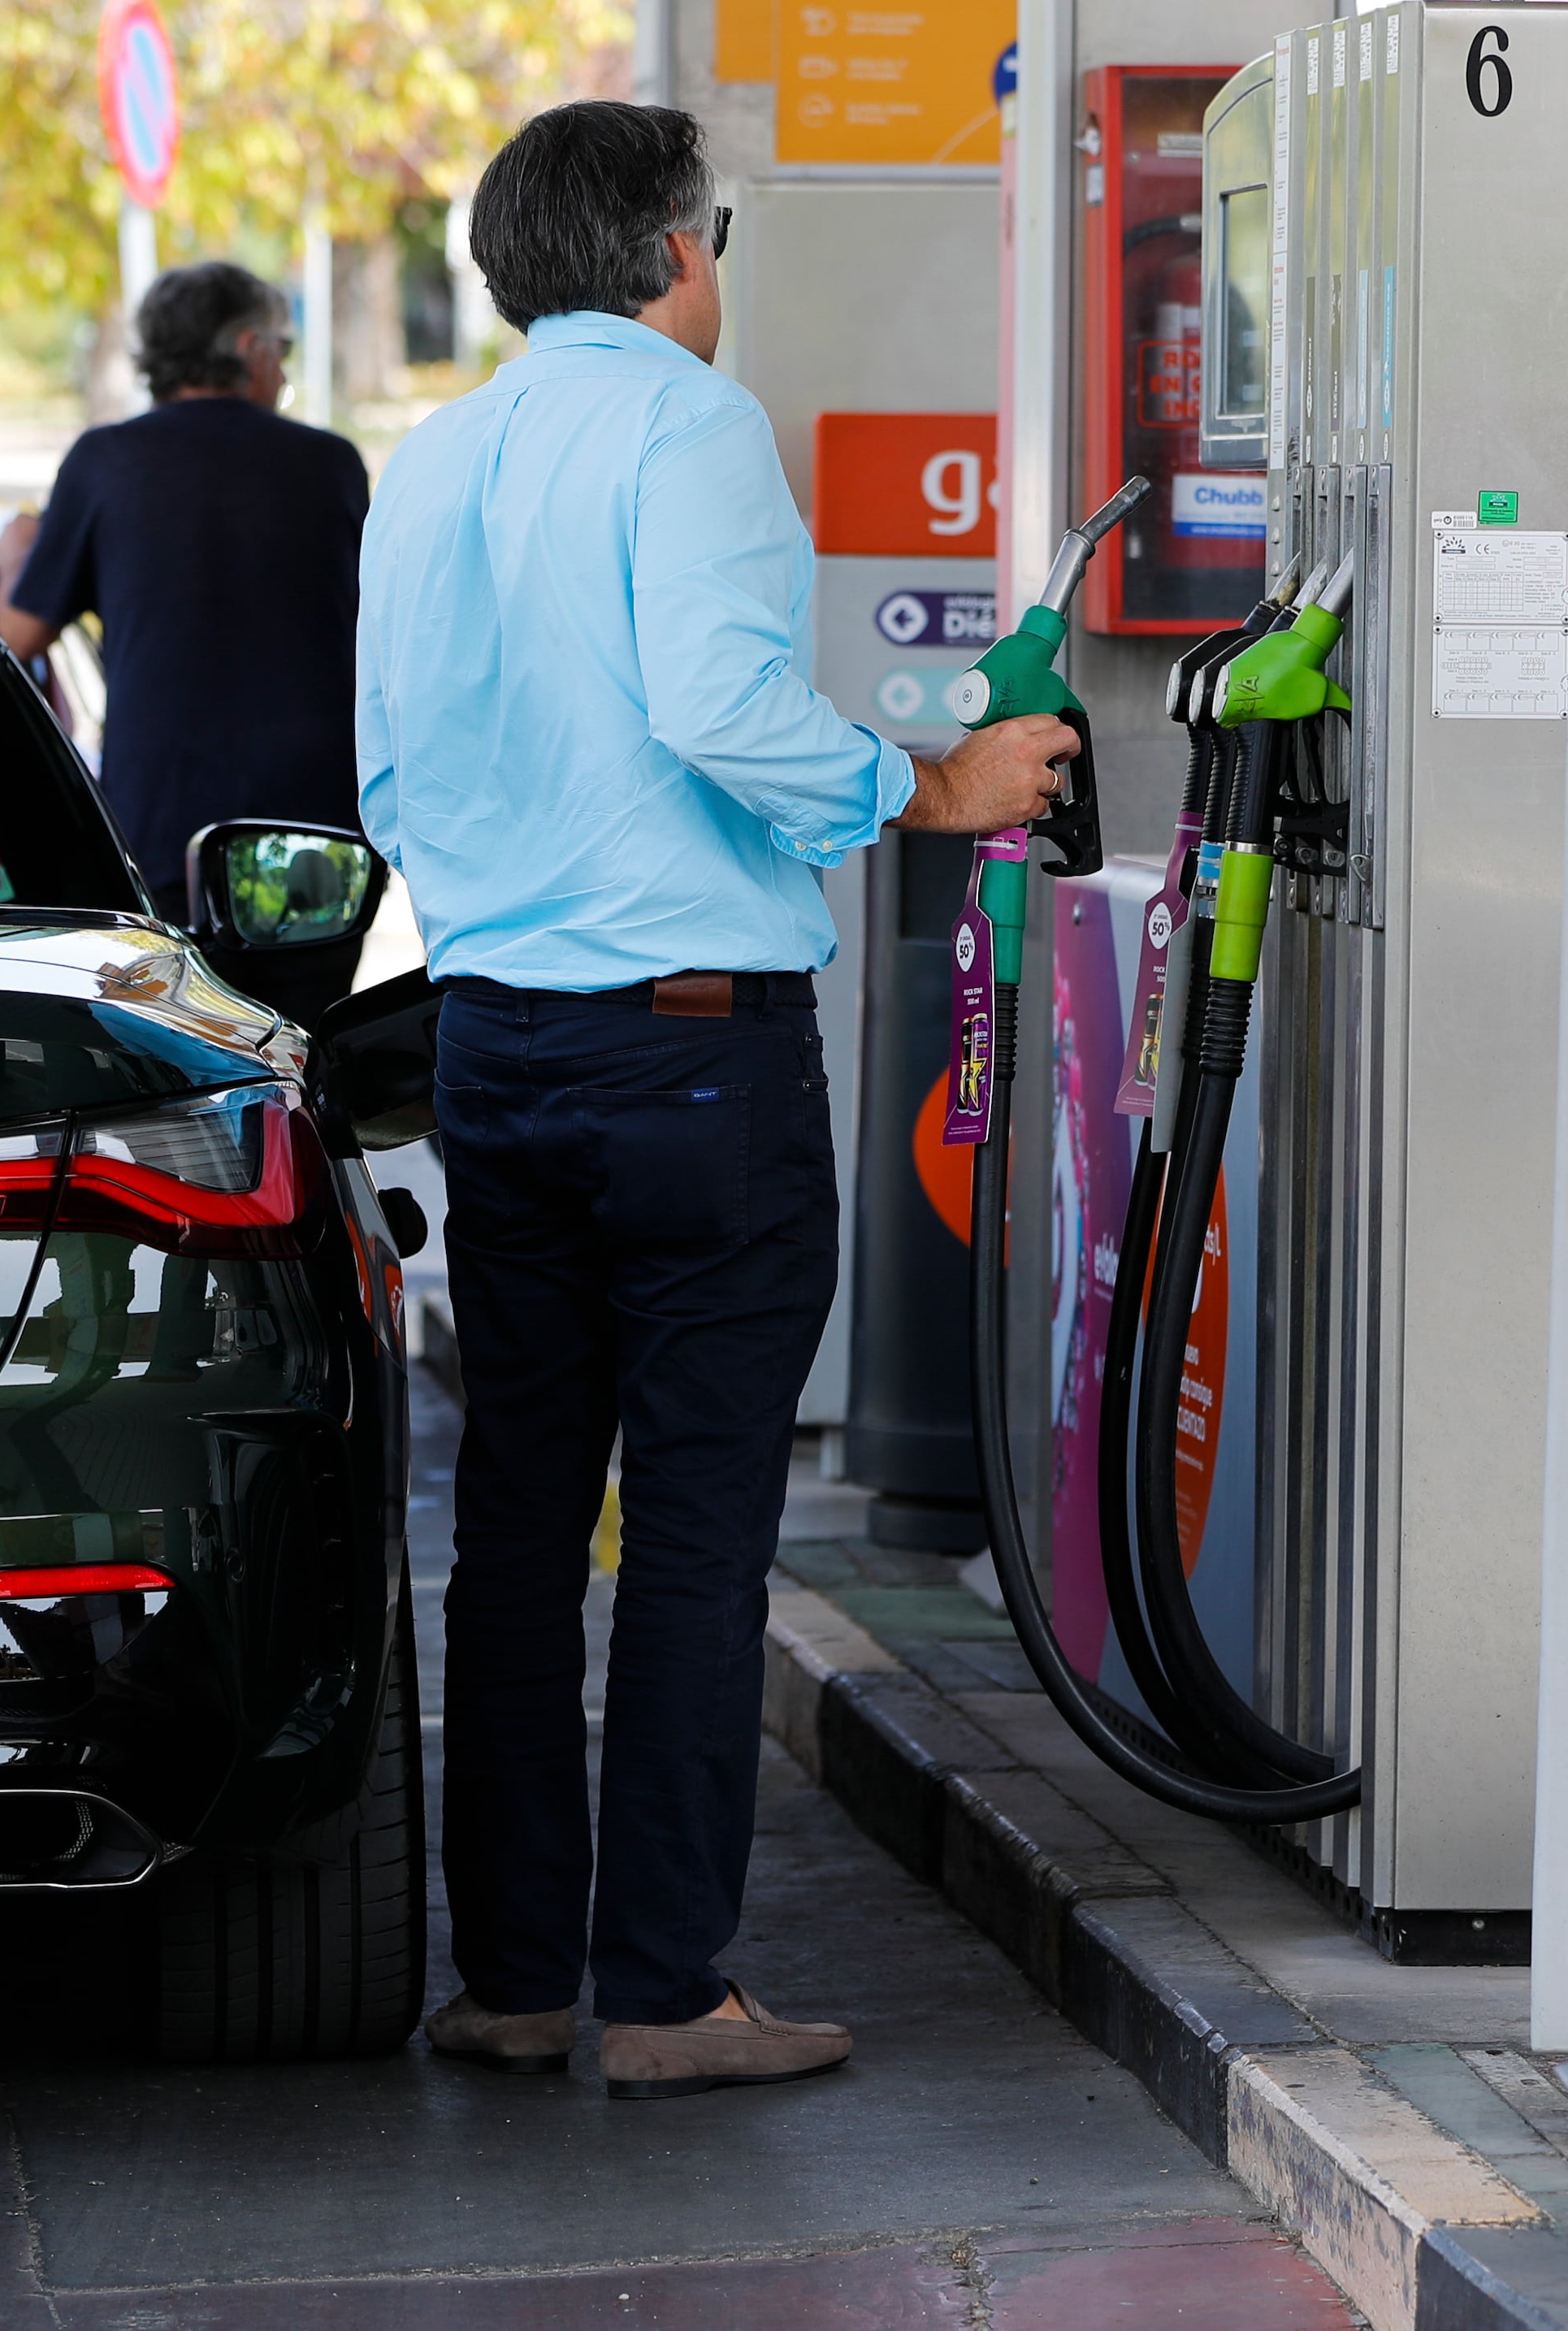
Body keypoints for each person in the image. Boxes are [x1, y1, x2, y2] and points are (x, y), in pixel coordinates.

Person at [357, 102, 1079, 2099]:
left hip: (494, 1045)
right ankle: (665, 1992)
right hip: (690, 1052)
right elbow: (715, 701)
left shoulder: (430, 462)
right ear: (679, 248)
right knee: (687, 1533)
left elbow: (389, 782)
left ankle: (510, 1985)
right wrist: (932, 788)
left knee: (512, 1529)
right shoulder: (688, 428)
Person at [0, 262, 368, 924]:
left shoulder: (105, 462)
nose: (285, 370)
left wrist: (15, 553)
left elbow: (17, 636)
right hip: (318, 821)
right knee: (311, 1023)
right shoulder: (331, 464)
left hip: (164, 821)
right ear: (249, 347)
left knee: (173, 1018)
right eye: (284, 348)